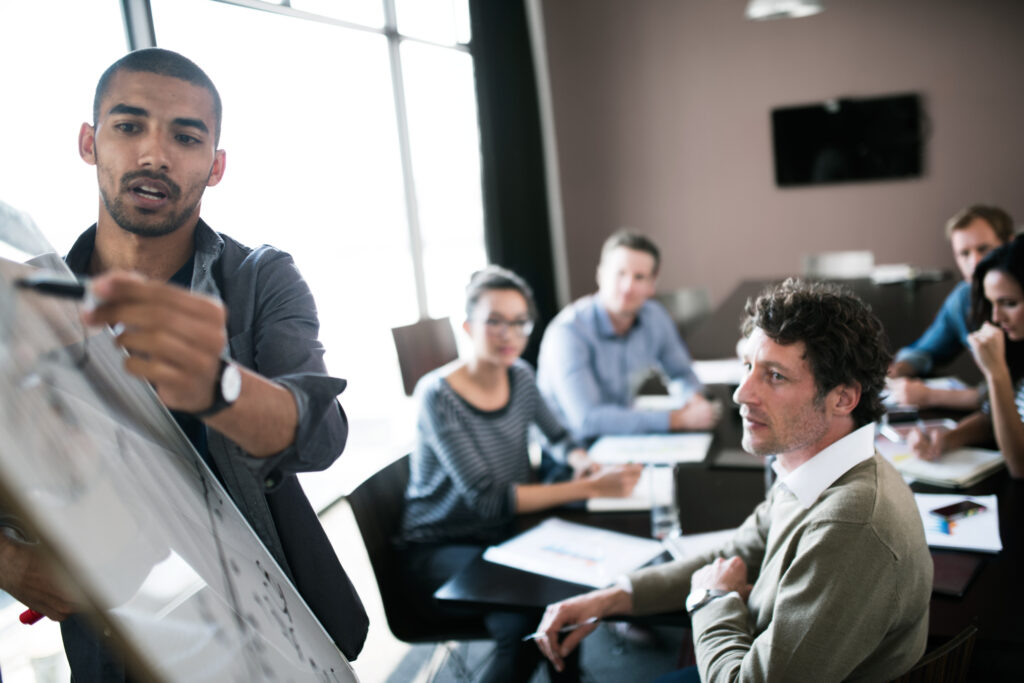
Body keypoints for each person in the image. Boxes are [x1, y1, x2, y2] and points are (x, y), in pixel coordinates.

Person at [0, 48, 368, 678]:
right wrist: (12, 565)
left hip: (271, 633)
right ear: (89, 143)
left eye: (186, 136)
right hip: (115, 641)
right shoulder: (25, 299)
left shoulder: (259, 278)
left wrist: (217, 385)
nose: (154, 154)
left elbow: (321, 433)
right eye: (128, 126)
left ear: (215, 165)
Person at [534, 279, 932, 682]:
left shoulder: (851, 526)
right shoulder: (815, 467)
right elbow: (738, 551)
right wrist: (615, 597)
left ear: (843, 398)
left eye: (775, 376)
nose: (741, 394)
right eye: (748, 368)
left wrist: (713, 598)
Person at [399, 266, 643, 683]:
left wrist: (584, 461)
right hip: (440, 545)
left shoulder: (522, 377)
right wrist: (590, 486)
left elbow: (561, 437)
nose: (507, 334)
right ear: (467, 326)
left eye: (518, 322)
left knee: (563, 596)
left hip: (505, 534)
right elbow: (489, 499)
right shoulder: (438, 394)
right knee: (520, 628)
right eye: (494, 321)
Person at [537, 230, 720, 444]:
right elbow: (588, 420)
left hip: (624, 439)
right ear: (601, 274)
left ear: (652, 285)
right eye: (619, 273)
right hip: (573, 452)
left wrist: (693, 399)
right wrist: (676, 419)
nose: (627, 287)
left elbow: (680, 373)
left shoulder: (655, 317)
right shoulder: (568, 332)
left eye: (639, 277)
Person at [909, 235, 1024, 478]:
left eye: (1009, 303)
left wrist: (997, 374)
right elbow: (997, 418)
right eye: (992, 303)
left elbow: (1020, 466)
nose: (996, 317)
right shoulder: (1017, 343)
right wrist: (946, 439)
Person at [888, 205, 1013, 409]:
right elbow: (925, 350)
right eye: (964, 253)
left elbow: (1015, 394)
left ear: (1010, 244)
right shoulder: (964, 298)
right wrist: (897, 371)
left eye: (984, 249)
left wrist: (930, 396)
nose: (975, 262)